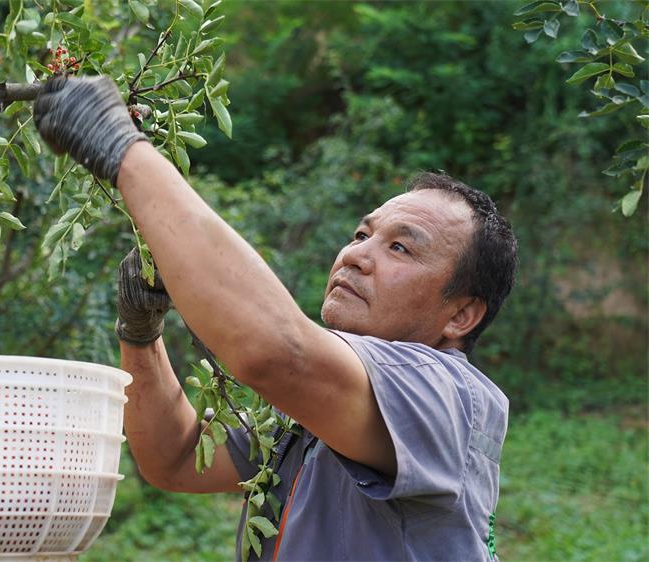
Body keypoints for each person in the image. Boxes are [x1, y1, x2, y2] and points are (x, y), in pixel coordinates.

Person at [34, 76, 518, 561]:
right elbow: (177, 459)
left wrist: (123, 150)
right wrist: (141, 333)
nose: (355, 255)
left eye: (400, 247)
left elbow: (278, 352)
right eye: (360, 234)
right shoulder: (314, 411)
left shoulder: (446, 397)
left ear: (460, 315)